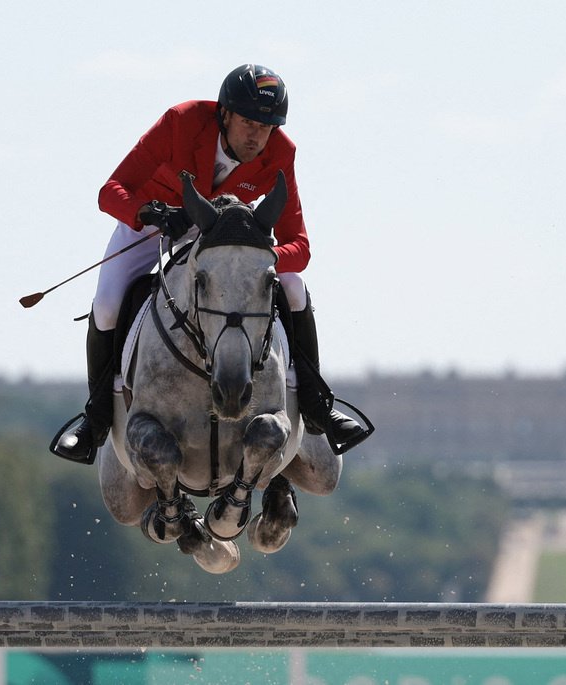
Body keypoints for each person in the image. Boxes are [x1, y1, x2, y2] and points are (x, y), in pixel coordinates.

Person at [51, 63, 369, 464]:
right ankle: (94, 421)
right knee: (109, 303)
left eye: (266, 126)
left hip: (224, 237)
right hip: (151, 225)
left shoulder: (281, 153)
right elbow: (110, 191)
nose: (257, 136)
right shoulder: (181, 122)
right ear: (225, 115)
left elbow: (300, 246)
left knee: (292, 286)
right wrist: (151, 212)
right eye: (248, 123)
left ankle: (317, 404)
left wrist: (261, 259)